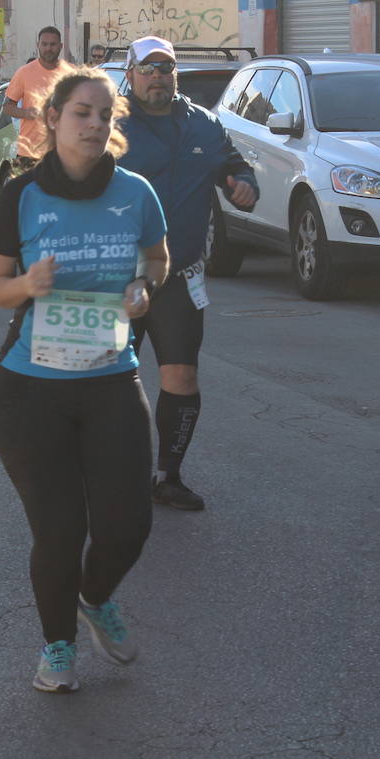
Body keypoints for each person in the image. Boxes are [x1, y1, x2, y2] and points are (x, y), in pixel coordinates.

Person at [0, 67, 169, 693]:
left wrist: (143, 287)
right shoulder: (22, 195)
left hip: (111, 378)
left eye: (104, 115)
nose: (94, 124)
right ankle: (57, 647)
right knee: (60, 530)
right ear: (53, 119)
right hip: (30, 390)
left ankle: (95, 597)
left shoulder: (137, 193)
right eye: (81, 113)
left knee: (128, 525)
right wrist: (26, 287)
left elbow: (159, 260)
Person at [118, 36, 259, 512]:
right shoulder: (109, 122)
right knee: (109, 382)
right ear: (132, 74)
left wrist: (244, 187)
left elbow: (237, 167)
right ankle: (104, 472)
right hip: (116, 278)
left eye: (166, 68)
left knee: (182, 377)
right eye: (148, 69)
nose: (158, 76)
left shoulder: (204, 124)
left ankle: (167, 476)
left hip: (178, 277)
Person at [2, 26, 74, 175]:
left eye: (53, 44)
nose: (48, 48)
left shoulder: (72, 73)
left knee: (58, 197)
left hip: (62, 153)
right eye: (44, 44)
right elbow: (7, 106)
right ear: (38, 45)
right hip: (29, 152)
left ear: (60, 46)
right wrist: (26, 113)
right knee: (24, 196)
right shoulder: (24, 72)